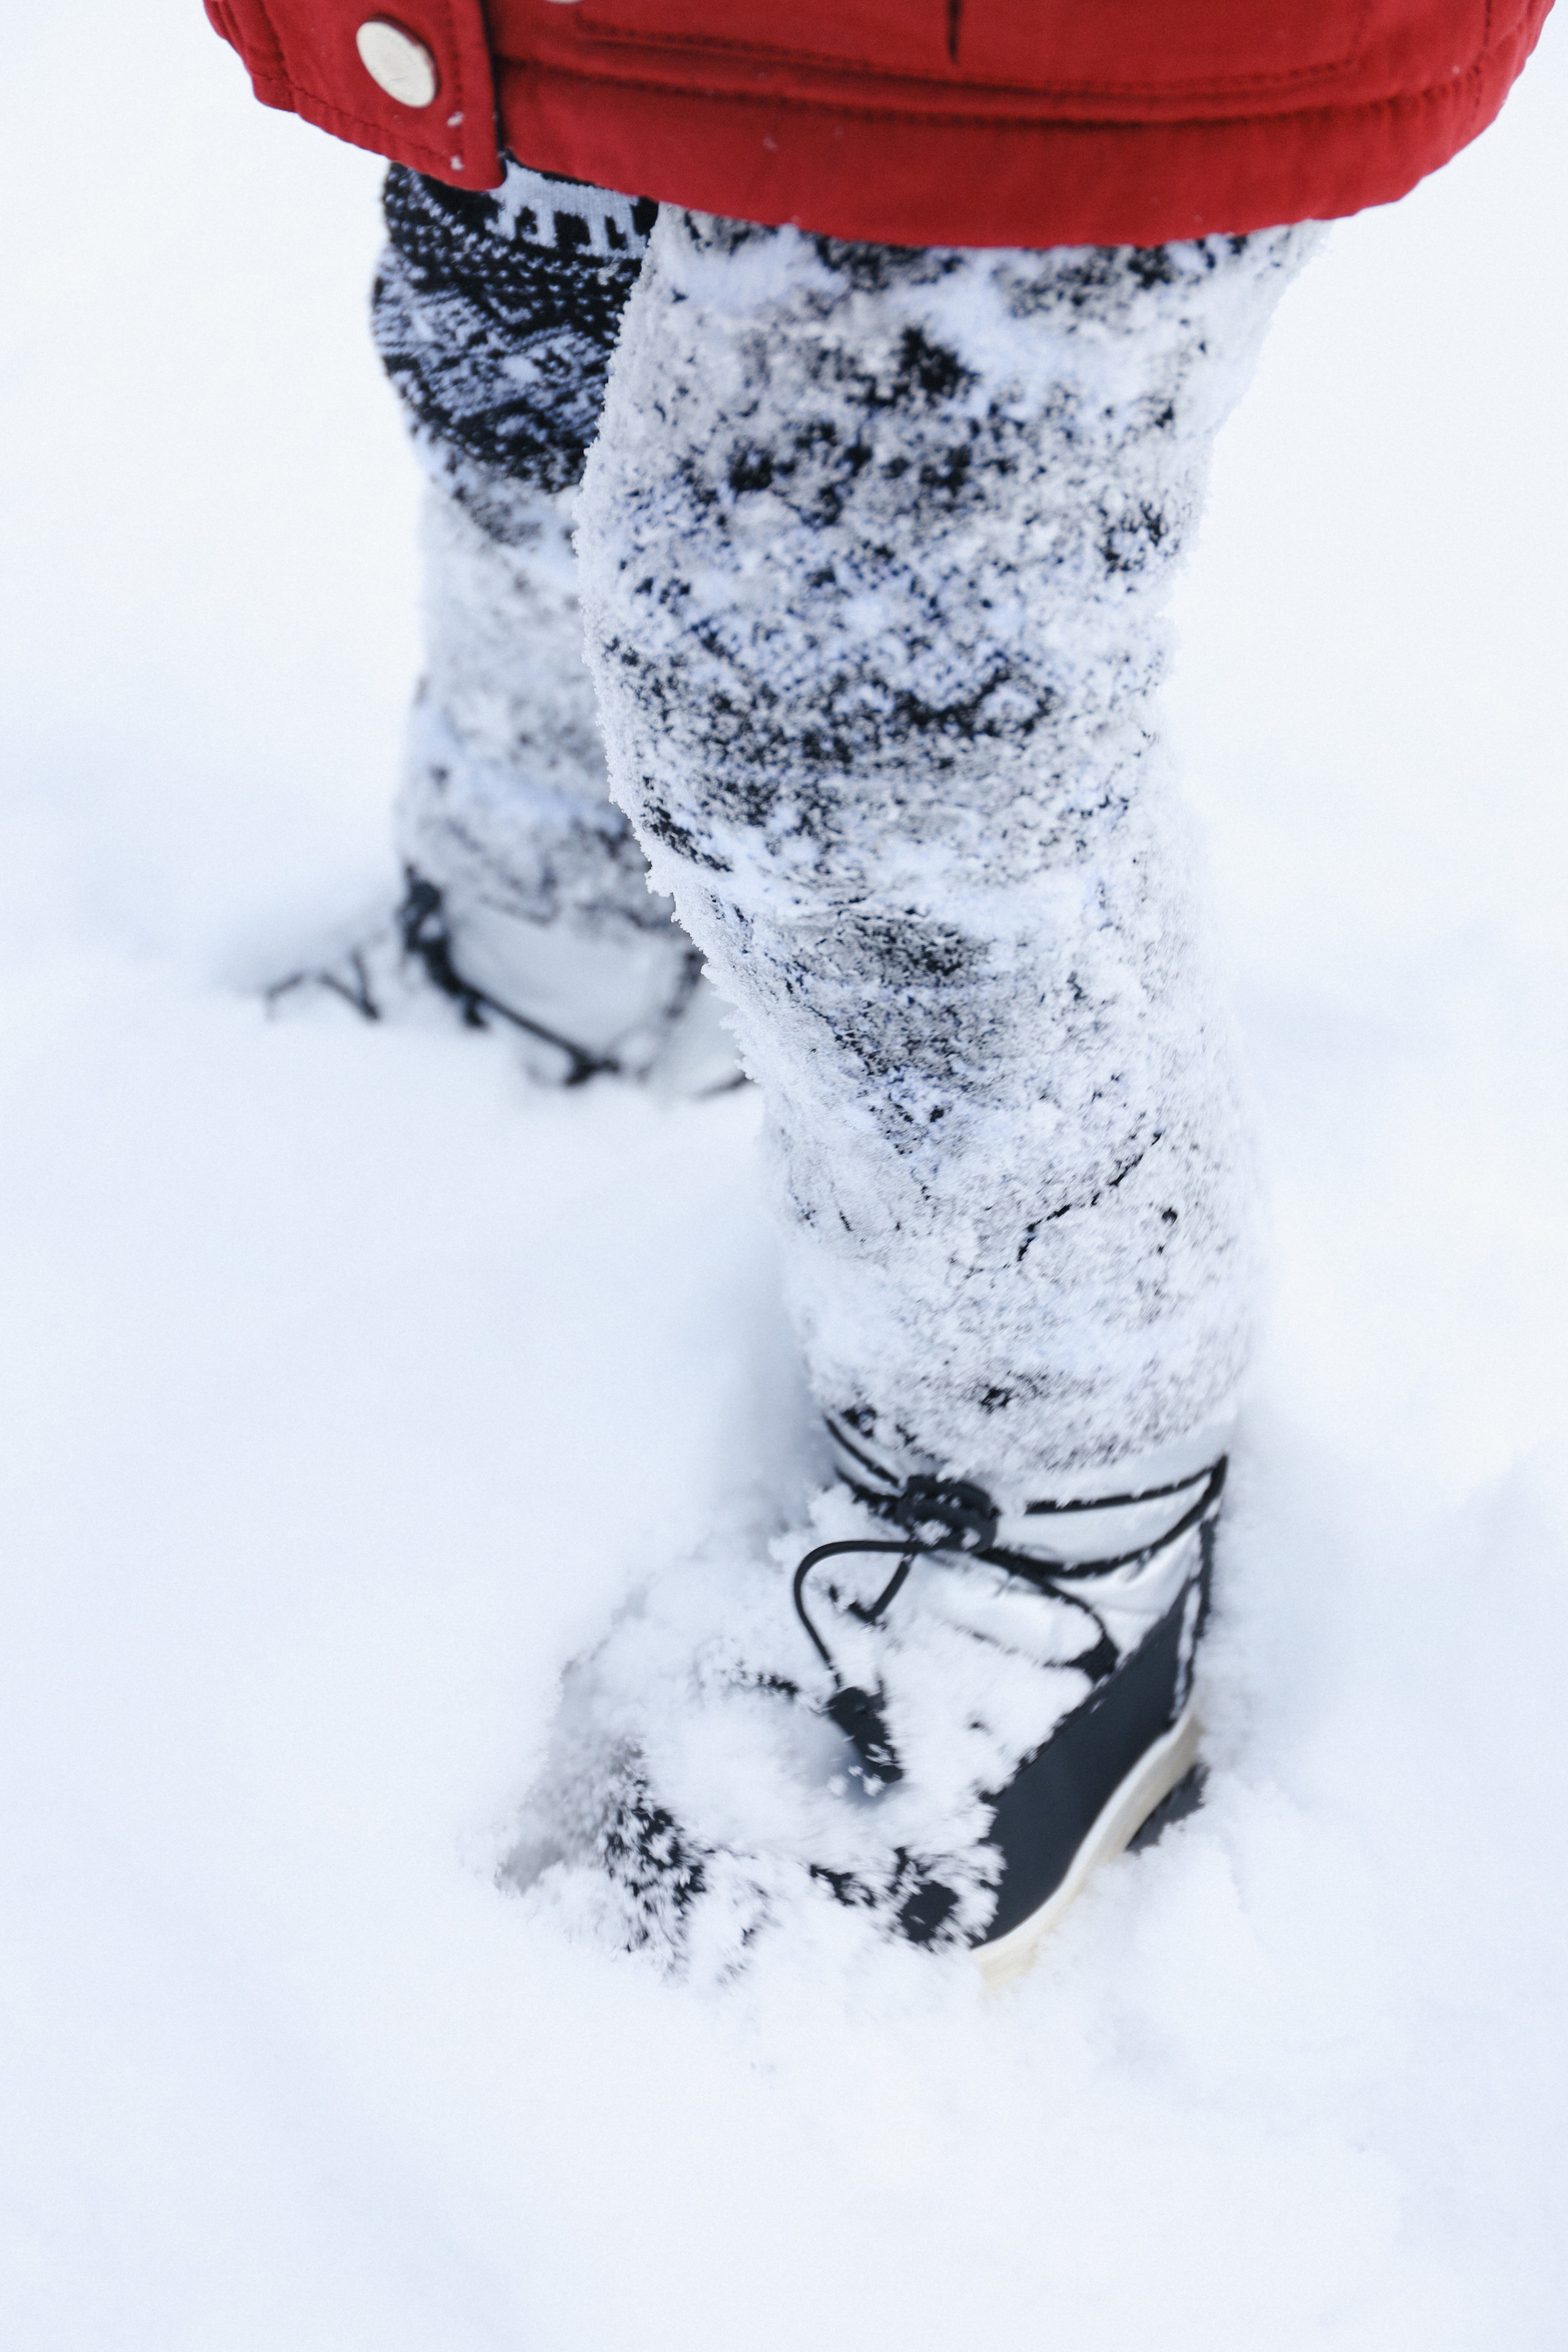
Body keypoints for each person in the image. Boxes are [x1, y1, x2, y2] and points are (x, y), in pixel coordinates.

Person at [208, 0, 1553, 1981]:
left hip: (1009, 48)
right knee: (523, 358)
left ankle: (1065, 1493)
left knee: (857, 691)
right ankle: (568, 930)